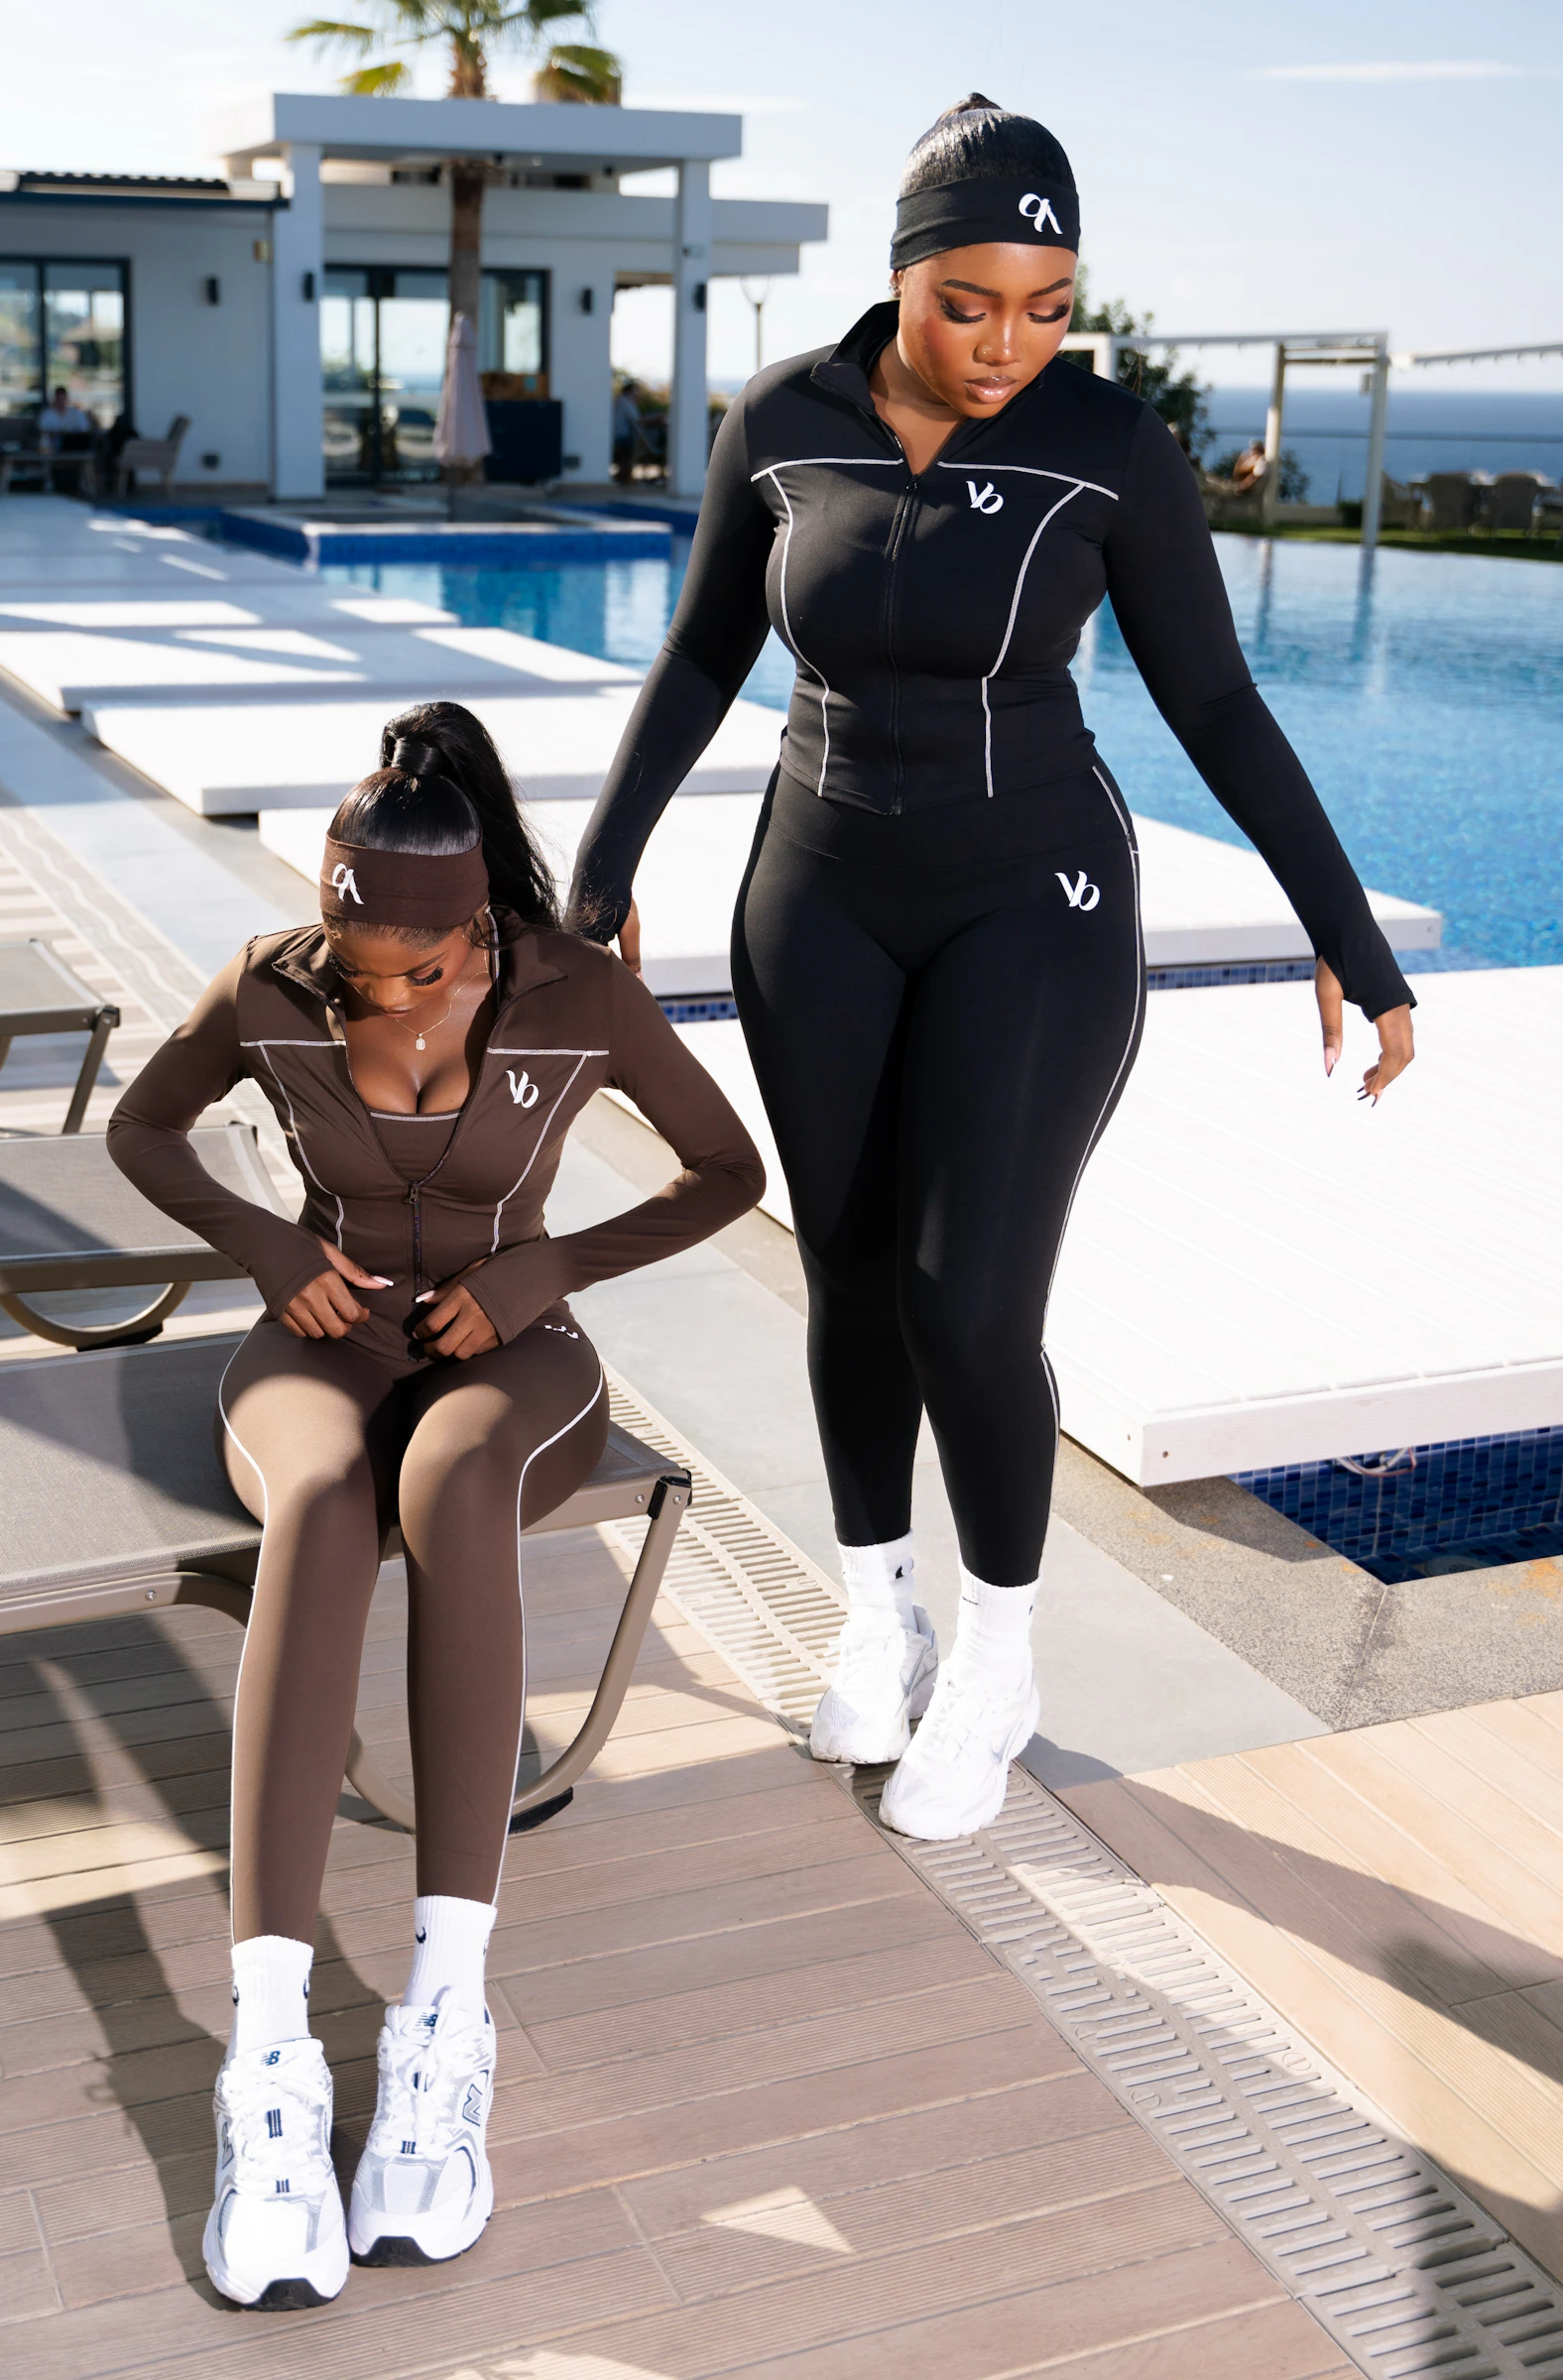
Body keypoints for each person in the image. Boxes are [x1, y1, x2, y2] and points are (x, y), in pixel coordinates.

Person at [565, 94, 1415, 1845]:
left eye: (1048, 306)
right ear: (902, 281)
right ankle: (877, 1610)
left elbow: (1220, 701)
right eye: (972, 303)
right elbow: (707, 651)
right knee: (852, 1282)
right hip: (817, 884)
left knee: (970, 1303)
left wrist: (1345, 927)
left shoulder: (1115, 447)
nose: (1010, 345)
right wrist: (597, 873)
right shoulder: (784, 418)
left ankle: (1005, 1660)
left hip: (1035, 891)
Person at [106, 701, 763, 2310]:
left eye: (422, 965)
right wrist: (269, 1248)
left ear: (478, 923)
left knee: (454, 1481)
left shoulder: (577, 989)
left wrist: (545, 1264)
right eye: (355, 965)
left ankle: (441, 2026)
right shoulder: (269, 985)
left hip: (513, 1347)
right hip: (320, 1334)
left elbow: (725, 1172)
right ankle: (266, 2060)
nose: (382, 995)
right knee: (327, 1500)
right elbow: (144, 1127)